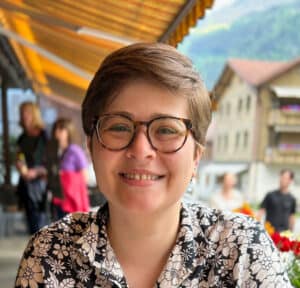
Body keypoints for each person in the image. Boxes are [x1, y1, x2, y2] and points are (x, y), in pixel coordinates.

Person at [15, 43, 291, 287]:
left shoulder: (242, 249)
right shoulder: (49, 254)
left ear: (196, 155)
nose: (141, 149)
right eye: (120, 127)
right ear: (90, 146)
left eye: (167, 130)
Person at [15, 101, 48, 234]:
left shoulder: (44, 135)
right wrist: (19, 165)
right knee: (32, 228)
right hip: (26, 185)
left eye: (27, 112)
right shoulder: (21, 138)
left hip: (42, 186)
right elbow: (19, 157)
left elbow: (53, 162)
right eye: (22, 113)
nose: (24, 116)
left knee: (42, 228)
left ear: (34, 115)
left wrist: (36, 171)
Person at [50, 117, 90, 220]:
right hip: (60, 201)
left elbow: (84, 177)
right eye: (56, 129)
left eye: (61, 129)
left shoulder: (75, 150)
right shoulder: (59, 152)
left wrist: (64, 176)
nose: (57, 132)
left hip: (72, 204)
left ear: (69, 131)